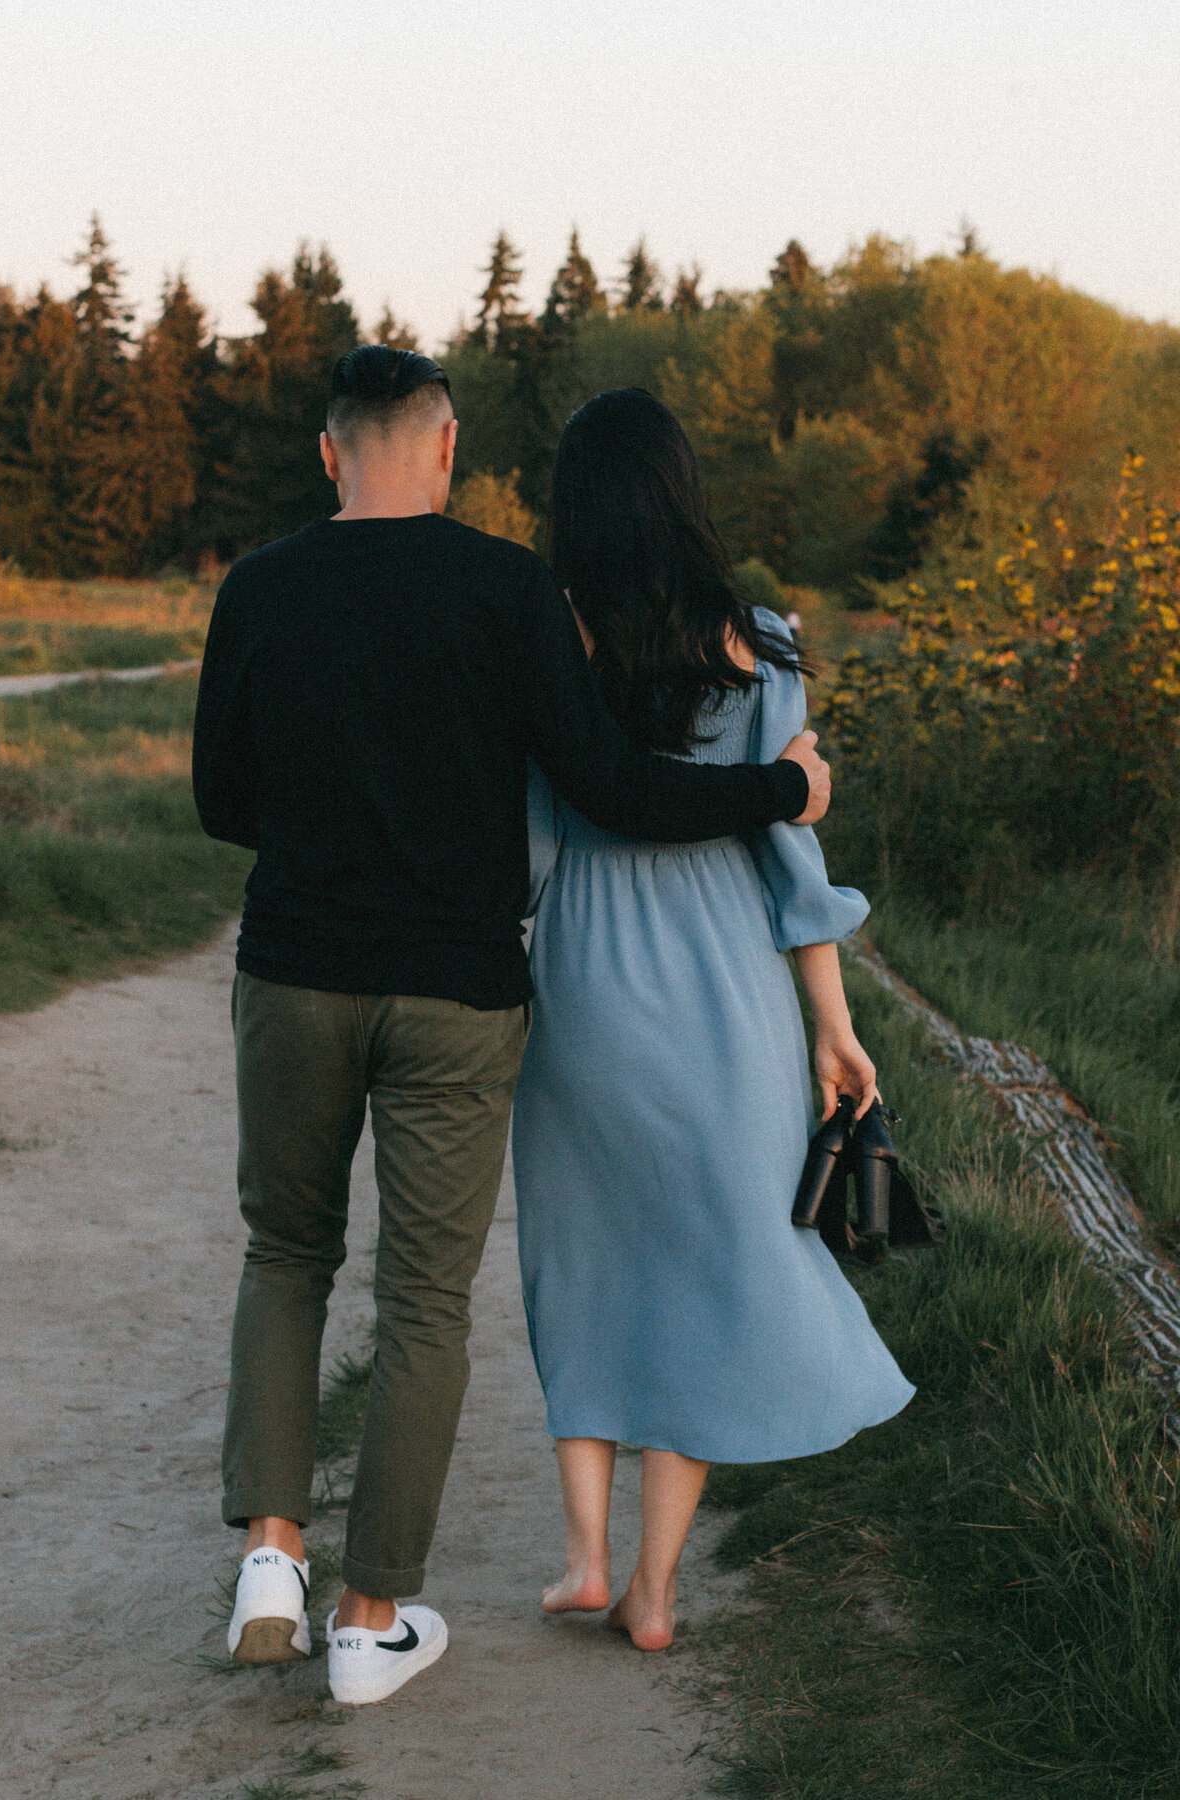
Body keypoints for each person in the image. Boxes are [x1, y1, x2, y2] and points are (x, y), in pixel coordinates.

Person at [191, 347, 831, 1706]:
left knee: (287, 1252)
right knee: (422, 1298)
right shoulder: (506, 589)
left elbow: (219, 800)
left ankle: (268, 1550)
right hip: (457, 995)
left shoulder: (255, 589)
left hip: (296, 972)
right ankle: (368, 1624)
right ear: (447, 446)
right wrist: (779, 792)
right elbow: (611, 786)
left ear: (325, 455)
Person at [512, 389, 914, 1651]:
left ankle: (581, 1555)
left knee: (578, 1257)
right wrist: (832, 1027)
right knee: (702, 1262)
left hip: (584, 972)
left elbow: (527, 839)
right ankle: (655, 1590)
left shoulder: (550, 631)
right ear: (684, 491)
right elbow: (794, 865)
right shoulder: (764, 647)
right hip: (726, 983)